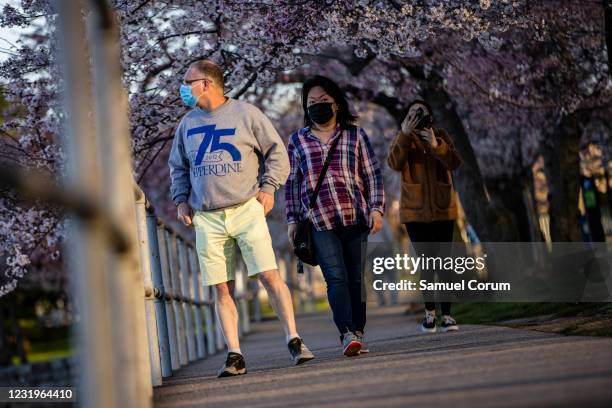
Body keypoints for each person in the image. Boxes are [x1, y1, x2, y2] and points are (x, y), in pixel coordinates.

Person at [169, 60, 314, 377]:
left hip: (247, 209)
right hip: (207, 216)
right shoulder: (187, 124)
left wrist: (269, 188)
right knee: (221, 288)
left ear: (206, 83)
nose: (182, 87)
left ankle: (294, 339)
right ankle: (234, 355)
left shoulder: (246, 114)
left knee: (269, 275)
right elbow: (177, 166)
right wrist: (181, 200)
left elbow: (277, 151)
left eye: (187, 81)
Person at [285, 75, 385, 356]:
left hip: (355, 216)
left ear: (336, 104)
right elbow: (292, 183)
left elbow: (372, 174)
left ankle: (359, 331)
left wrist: (376, 208)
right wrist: (292, 219)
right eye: (312, 102)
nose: (318, 106)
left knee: (355, 278)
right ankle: (347, 333)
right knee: (336, 278)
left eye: (323, 101)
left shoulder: (355, 135)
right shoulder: (297, 141)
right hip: (319, 221)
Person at [387, 99, 462, 333]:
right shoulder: (403, 139)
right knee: (427, 263)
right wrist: (404, 135)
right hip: (415, 212)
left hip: (442, 208)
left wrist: (437, 144)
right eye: (412, 114)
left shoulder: (439, 135)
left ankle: (447, 315)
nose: (417, 117)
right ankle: (429, 314)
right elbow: (393, 163)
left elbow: (454, 162)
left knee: (444, 262)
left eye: (422, 113)